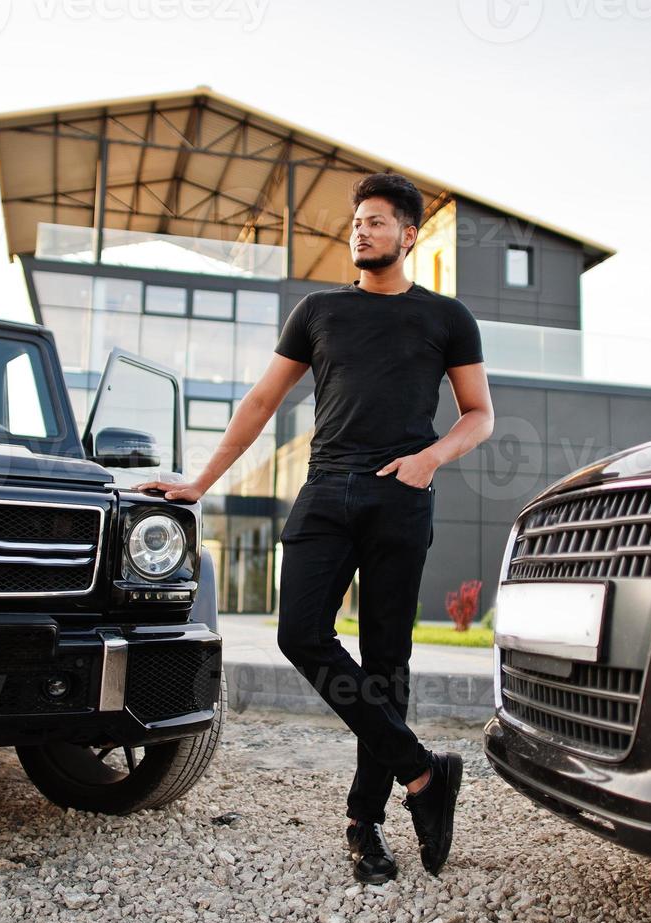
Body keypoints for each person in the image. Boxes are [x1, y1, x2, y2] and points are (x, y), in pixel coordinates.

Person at [136, 172, 493, 882]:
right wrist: (201, 482)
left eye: (377, 222)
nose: (361, 231)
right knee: (299, 632)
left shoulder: (446, 317)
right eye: (356, 221)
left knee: (387, 663)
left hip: (401, 496)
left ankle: (365, 824)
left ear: (408, 234)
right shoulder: (318, 309)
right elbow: (262, 400)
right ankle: (423, 775)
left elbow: (479, 413)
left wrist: (429, 458)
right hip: (327, 490)